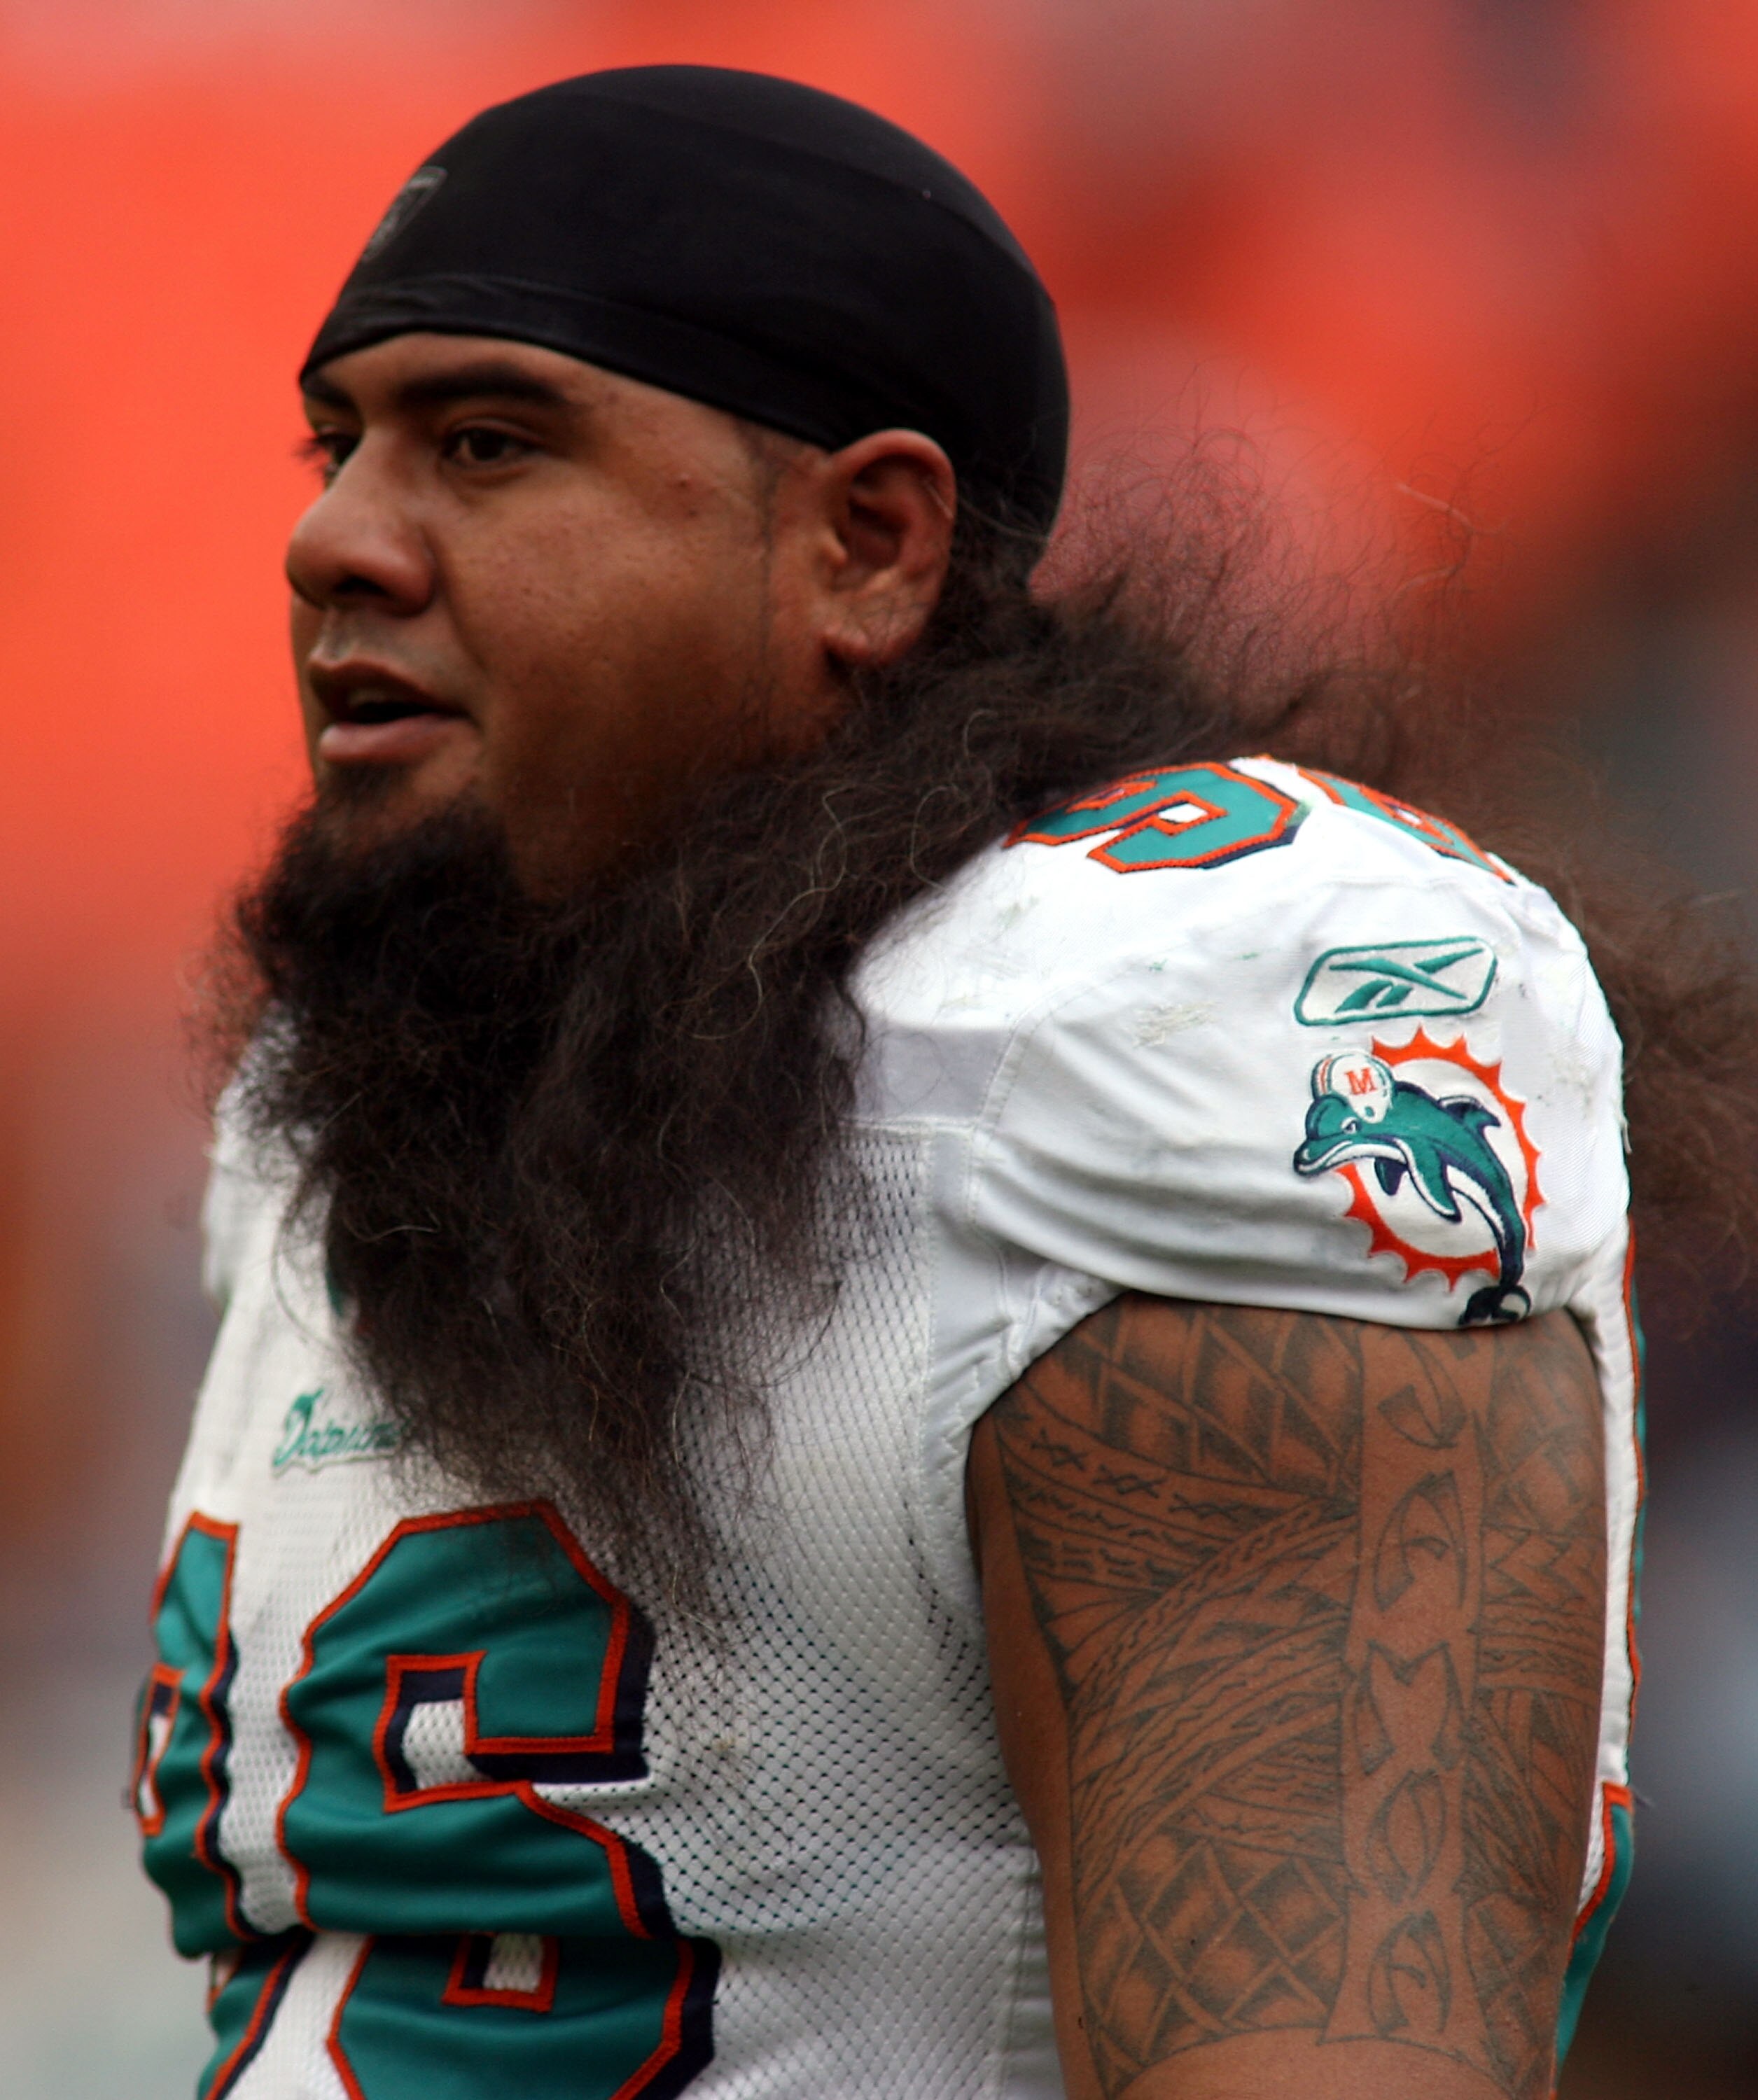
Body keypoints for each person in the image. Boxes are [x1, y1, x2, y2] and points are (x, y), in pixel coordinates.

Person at [134, 67, 1645, 2100]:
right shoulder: (379, 1081)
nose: (332, 539)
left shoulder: (1141, 1032)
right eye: (341, 444)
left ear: (868, 542)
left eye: (487, 444)